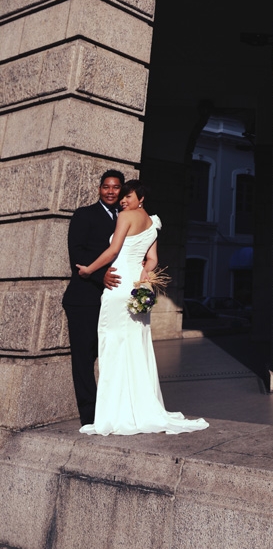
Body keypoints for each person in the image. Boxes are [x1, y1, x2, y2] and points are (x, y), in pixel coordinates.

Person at [75, 179, 208, 435]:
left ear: (141, 197)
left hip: (119, 284)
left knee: (113, 346)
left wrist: (89, 269)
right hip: (136, 287)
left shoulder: (125, 216)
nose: (123, 200)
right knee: (136, 345)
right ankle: (140, 407)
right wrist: (144, 279)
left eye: (128, 195)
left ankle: (116, 412)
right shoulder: (153, 223)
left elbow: (114, 250)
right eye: (121, 196)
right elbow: (153, 260)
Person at [62, 170, 125, 426]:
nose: (111, 191)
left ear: (122, 191)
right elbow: (75, 253)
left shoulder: (126, 218)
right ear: (99, 189)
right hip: (84, 298)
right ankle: (89, 415)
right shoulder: (84, 215)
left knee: (113, 353)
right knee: (84, 357)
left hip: (115, 300)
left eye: (116, 187)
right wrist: (101, 277)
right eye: (106, 187)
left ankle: (114, 408)